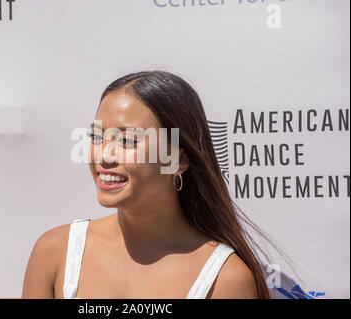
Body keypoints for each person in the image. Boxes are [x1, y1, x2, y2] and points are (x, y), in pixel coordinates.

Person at [22, 70, 271, 299]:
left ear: (178, 159)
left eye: (128, 141)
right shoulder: (56, 252)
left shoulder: (226, 279)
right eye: (97, 137)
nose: (104, 155)